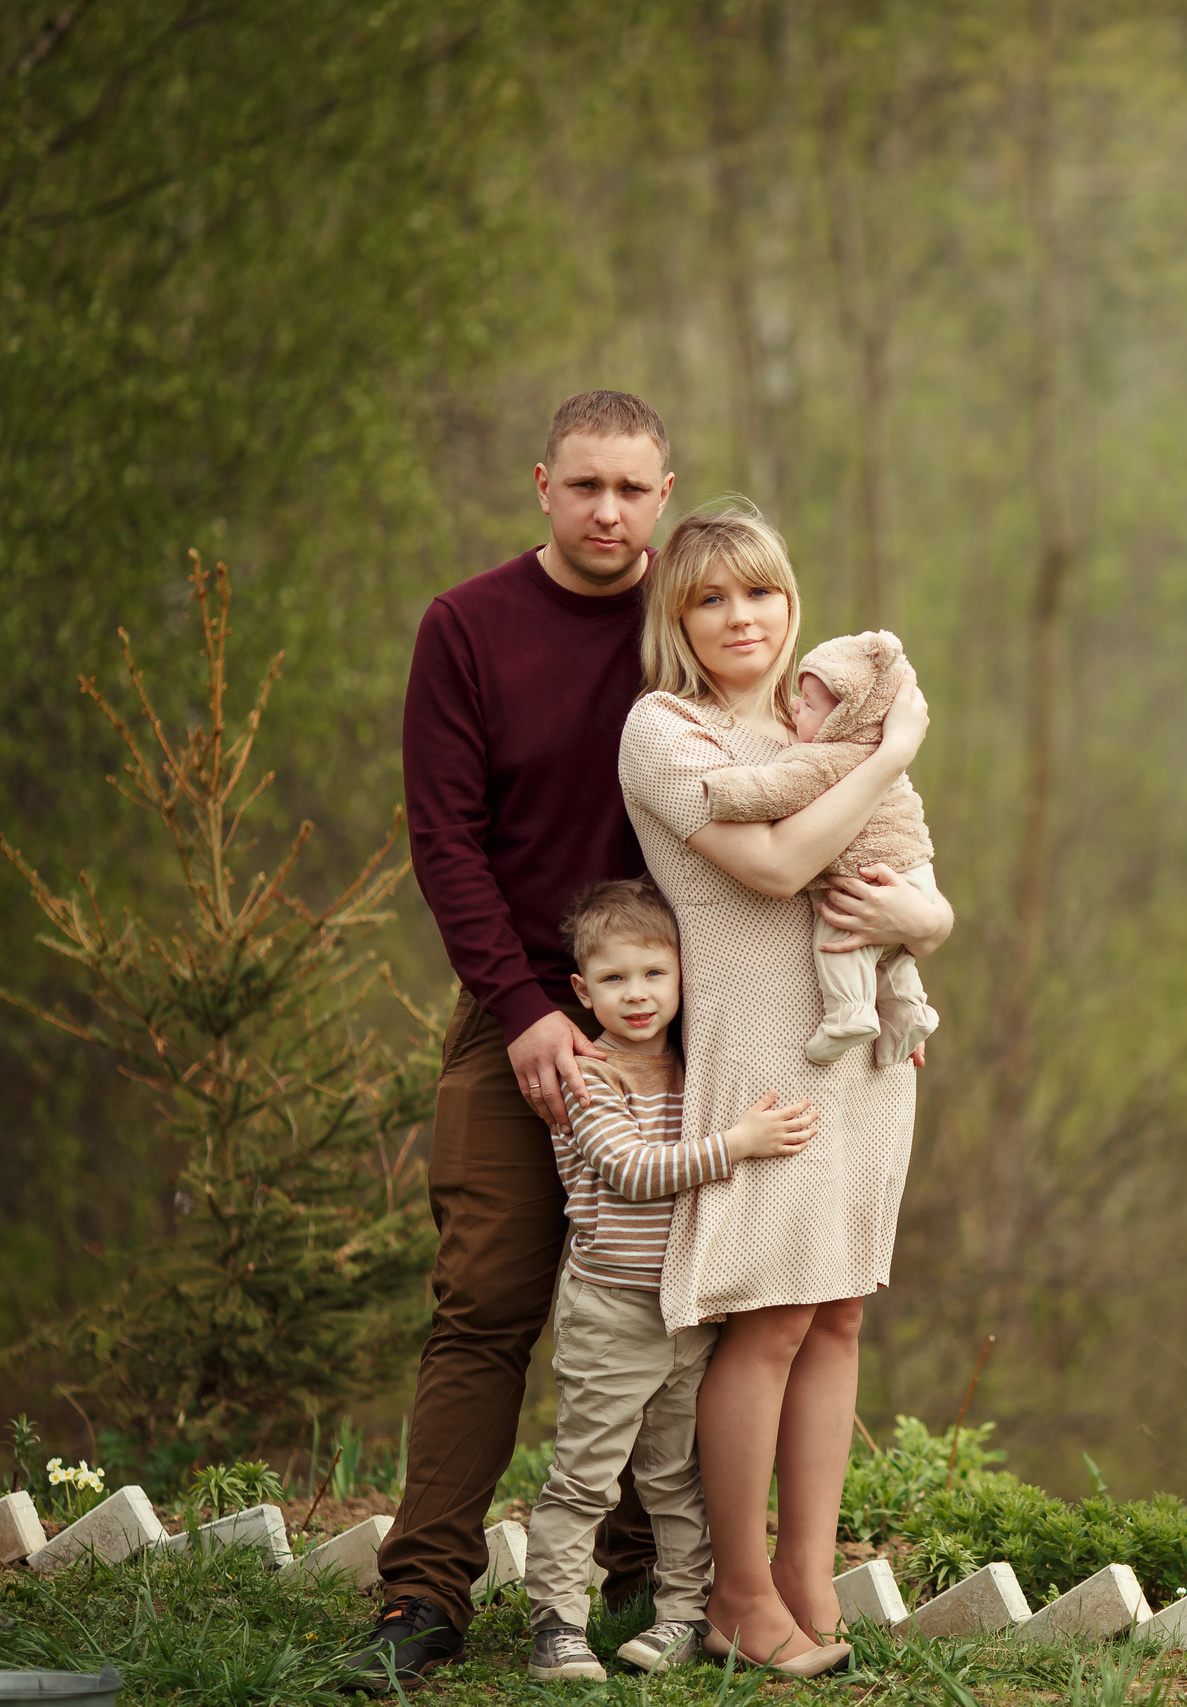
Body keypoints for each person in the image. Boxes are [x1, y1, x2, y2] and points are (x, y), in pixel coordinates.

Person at [354, 389, 677, 1690]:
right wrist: (530, 1010)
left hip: (675, 1023)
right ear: (542, 484)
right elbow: (446, 841)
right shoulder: (468, 628)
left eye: (632, 489)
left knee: (673, 1294)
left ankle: (656, 1575)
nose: (608, 510)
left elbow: (787, 808)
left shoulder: (695, 620)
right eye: (584, 484)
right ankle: (423, 1597)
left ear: (665, 494)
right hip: (513, 1011)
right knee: (486, 1299)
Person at [618, 502, 950, 1670]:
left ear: (789, 600)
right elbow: (778, 866)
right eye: (709, 599)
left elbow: (919, 890)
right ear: (679, 619)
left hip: (866, 1056)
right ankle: (735, 1597)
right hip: (767, 1062)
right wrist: (895, 751)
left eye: (757, 592)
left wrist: (926, 916)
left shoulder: (825, 715)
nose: (739, 618)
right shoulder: (665, 732)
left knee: (840, 1311)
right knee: (767, 1321)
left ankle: (810, 1578)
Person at [521, 878, 818, 1682]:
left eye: (655, 973)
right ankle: (558, 1623)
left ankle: (684, 1612)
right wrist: (740, 1143)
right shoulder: (590, 1078)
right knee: (584, 1472)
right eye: (615, 979)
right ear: (583, 991)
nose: (638, 994)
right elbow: (630, 1170)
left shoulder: (695, 1071)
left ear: (684, 976)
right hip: (613, 1309)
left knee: (676, 1476)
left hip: (687, 1306)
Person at [701, 629, 939, 1067]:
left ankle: (849, 1015)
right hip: (915, 873)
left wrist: (721, 790)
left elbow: (773, 789)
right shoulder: (882, 754)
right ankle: (909, 1013)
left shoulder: (824, 758)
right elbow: (930, 926)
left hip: (865, 879)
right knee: (893, 958)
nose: (795, 707)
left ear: (842, 721)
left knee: (840, 938)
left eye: (809, 705)